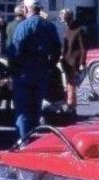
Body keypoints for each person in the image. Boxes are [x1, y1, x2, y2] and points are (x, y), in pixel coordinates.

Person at [7, 0, 61, 140]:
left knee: (23, 110)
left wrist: (11, 72)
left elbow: (15, 51)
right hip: (41, 72)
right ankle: (33, 141)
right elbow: (57, 49)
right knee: (36, 109)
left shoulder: (22, 26)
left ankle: (24, 141)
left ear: (26, 9)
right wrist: (49, 66)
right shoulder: (49, 26)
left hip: (23, 73)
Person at [59, 8, 87, 117]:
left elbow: (83, 48)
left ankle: (71, 106)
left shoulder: (79, 30)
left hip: (74, 63)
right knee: (68, 85)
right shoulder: (67, 30)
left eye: (65, 21)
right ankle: (71, 106)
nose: (64, 23)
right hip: (66, 62)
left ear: (69, 18)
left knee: (71, 85)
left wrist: (82, 63)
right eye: (63, 21)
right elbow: (65, 46)